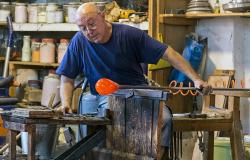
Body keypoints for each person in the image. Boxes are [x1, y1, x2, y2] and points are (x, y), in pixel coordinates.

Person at [56, 2, 211, 158]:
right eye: (82, 28)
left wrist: (196, 79)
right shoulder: (79, 41)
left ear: (102, 17)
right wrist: (66, 103)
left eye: (91, 24)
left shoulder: (129, 35)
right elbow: (67, 77)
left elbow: (169, 53)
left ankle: (158, 157)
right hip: (108, 97)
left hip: (139, 92)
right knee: (116, 120)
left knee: (164, 118)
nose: (88, 31)